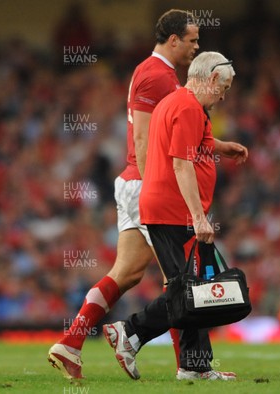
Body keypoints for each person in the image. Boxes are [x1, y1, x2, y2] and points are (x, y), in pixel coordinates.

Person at [48, 9, 200, 380]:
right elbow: (144, 138)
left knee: (128, 273)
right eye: (193, 40)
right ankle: (188, 367)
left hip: (135, 184)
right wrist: (156, 190)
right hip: (146, 186)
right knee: (180, 278)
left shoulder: (161, 75)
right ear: (174, 39)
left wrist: (221, 145)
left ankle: (71, 342)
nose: (197, 46)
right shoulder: (154, 74)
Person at [103, 51, 247, 381]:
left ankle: (192, 365)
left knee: (188, 287)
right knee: (187, 291)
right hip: (173, 211)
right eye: (223, 87)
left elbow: (191, 146)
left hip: (162, 207)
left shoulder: (174, 102)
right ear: (210, 79)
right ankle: (131, 332)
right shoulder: (188, 108)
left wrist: (221, 148)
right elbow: (182, 163)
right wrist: (198, 216)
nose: (224, 95)